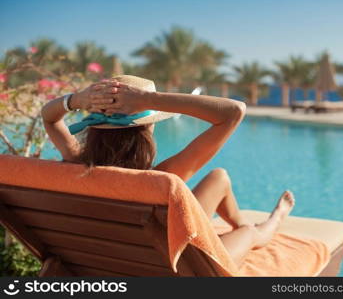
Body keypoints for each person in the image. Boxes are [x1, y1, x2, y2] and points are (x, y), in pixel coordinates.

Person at [41, 75, 295, 267]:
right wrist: (149, 100)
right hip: (178, 268)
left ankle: (238, 223)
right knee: (248, 233)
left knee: (219, 177)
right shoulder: (162, 178)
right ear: (146, 131)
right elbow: (233, 112)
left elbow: (49, 118)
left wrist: (76, 100)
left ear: (95, 131)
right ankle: (273, 220)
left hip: (121, 261)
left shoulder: (76, 162)